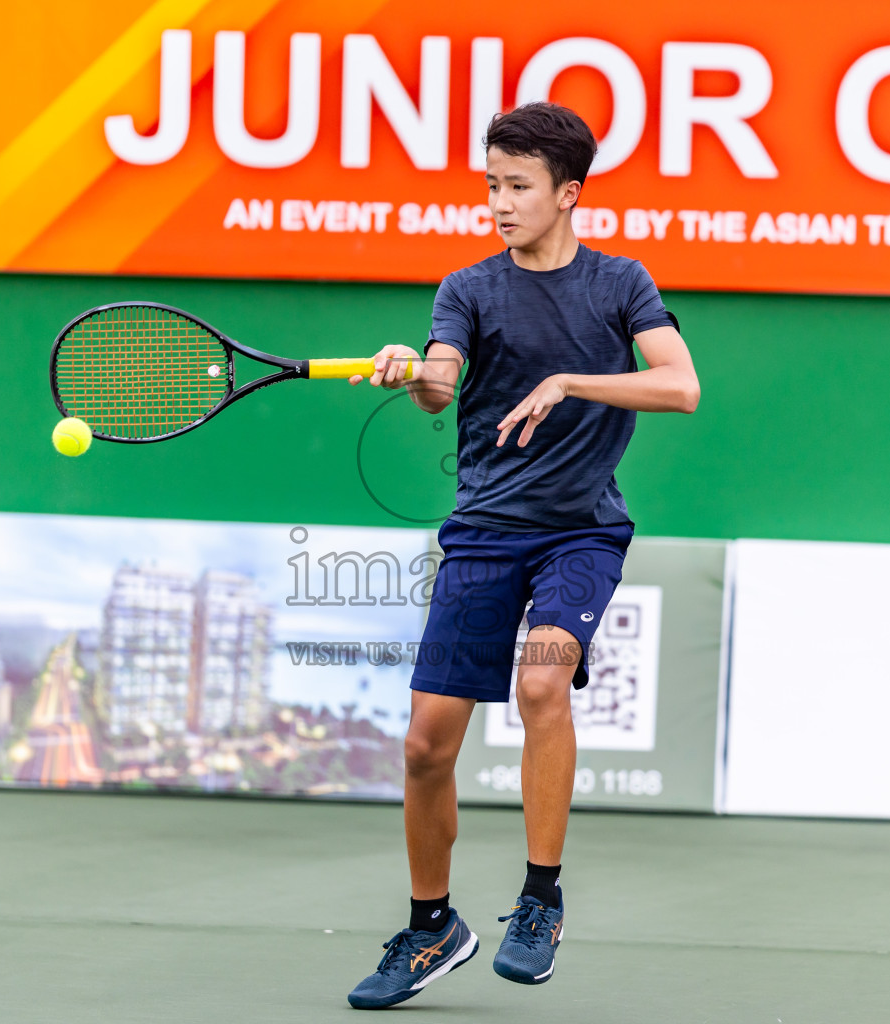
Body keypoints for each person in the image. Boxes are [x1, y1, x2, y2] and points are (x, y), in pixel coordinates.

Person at [345, 101, 700, 1010]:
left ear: (567, 192)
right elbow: (438, 382)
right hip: (484, 535)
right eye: (491, 186)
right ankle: (433, 930)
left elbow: (680, 385)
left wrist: (572, 380)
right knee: (428, 746)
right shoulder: (467, 289)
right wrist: (409, 367)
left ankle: (540, 901)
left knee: (544, 683)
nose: (500, 203)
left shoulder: (620, 284)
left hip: (581, 531)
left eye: (518, 187)